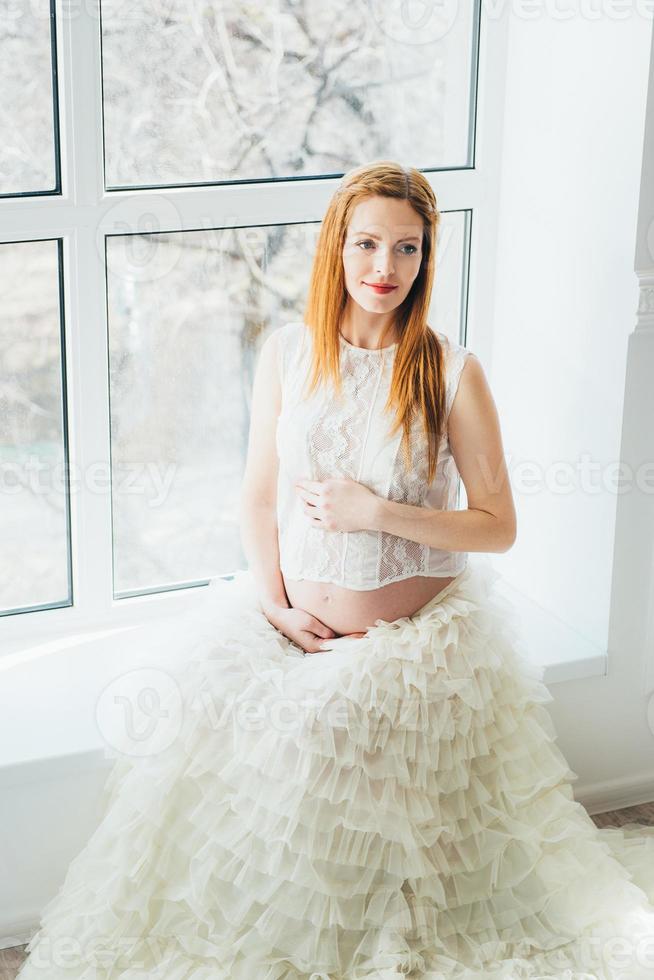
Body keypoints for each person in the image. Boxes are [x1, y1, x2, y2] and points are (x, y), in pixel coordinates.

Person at [15, 160, 654, 980]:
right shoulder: (288, 354)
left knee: (318, 739)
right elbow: (254, 498)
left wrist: (376, 512)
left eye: (406, 249)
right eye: (366, 245)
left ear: (427, 259)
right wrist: (275, 606)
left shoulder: (451, 372)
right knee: (195, 736)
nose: (383, 269)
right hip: (287, 624)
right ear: (336, 248)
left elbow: (498, 526)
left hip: (408, 644)